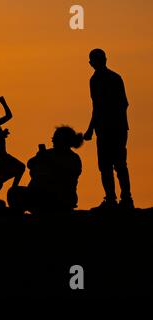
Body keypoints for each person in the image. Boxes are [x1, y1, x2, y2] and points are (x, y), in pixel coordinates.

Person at [84, 49, 134, 210]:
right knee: (120, 164)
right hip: (119, 128)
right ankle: (125, 199)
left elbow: (98, 106)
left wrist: (90, 129)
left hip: (107, 129)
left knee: (106, 166)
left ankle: (113, 200)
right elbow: (124, 104)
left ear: (92, 63)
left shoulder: (96, 80)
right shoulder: (116, 77)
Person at [8, 126, 83, 215]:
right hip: (39, 194)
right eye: (53, 138)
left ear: (65, 141)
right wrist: (39, 158)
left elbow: (65, 176)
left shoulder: (73, 158)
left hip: (58, 198)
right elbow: (30, 163)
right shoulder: (49, 153)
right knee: (13, 192)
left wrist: (49, 162)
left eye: (55, 139)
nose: (53, 141)